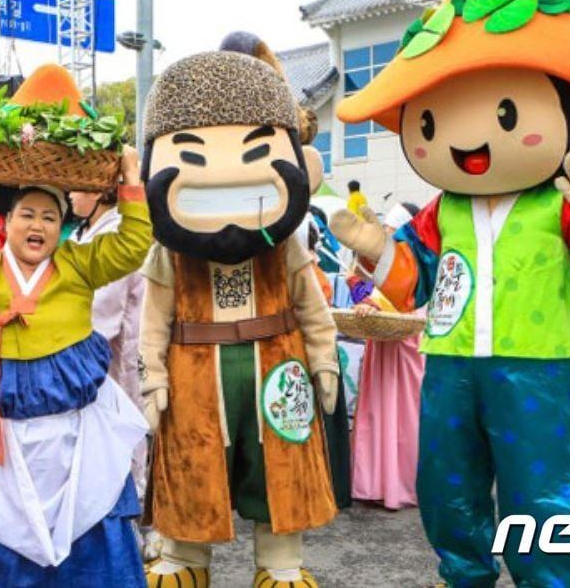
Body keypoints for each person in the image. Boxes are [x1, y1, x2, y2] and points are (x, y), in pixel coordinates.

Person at [331, 0, 570, 585]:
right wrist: (376, 248)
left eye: (506, 115)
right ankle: (461, 575)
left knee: (541, 496)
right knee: (447, 487)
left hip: (539, 366)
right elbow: (410, 283)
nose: (467, 141)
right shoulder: (439, 211)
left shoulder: (559, 202)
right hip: (451, 365)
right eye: (431, 122)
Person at [0, 64, 152, 587]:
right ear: (8, 221)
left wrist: (132, 187)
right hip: (10, 437)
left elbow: (134, 246)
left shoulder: (81, 264)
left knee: (93, 536)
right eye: (27, 214)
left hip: (76, 434)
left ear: (61, 228)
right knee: (10, 537)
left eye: (49, 215)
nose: (37, 224)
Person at [140, 33, 339, 587]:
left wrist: (324, 360)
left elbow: (312, 306)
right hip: (192, 375)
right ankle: (184, 560)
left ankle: (280, 565)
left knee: (281, 474)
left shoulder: (284, 245)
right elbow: (153, 316)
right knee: (191, 471)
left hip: (279, 370)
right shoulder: (171, 252)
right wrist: (151, 374)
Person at [69, 187, 146, 493]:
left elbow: (100, 311)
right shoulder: (85, 232)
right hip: (101, 356)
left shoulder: (114, 234)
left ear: (99, 192)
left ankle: (131, 521)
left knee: (123, 438)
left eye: (79, 188)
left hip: (113, 356)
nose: (71, 194)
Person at [349, 203, 424, 511]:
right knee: (378, 410)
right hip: (382, 343)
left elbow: (412, 299)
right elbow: (365, 289)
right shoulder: (376, 258)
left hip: (408, 344)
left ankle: (405, 484)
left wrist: (373, 303)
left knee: (406, 414)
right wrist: (362, 297)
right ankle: (374, 482)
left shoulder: (420, 259)